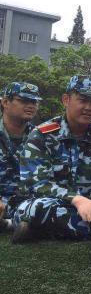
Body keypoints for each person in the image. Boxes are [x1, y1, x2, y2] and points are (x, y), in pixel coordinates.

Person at [12, 76, 91, 243]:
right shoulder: (42, 135)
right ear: (66, 100)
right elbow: (36, 184)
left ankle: (43, 230)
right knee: (34, 208)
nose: (88, 107)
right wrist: (76, 199)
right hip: (53, 203)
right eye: (82, 100)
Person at [0, 83, 42, 231]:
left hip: (28, 202)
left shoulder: (43, 137)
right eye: (24, 101)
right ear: (5, 102)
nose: (31, 106)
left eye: (34, 102)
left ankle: (10, 223)